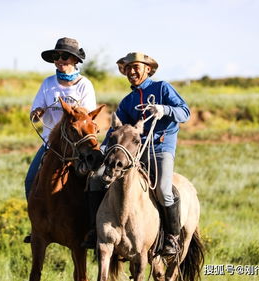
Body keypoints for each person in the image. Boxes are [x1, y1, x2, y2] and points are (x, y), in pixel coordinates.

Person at [82, 52, 190, 257]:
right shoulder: (127, 101)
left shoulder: (163, 88)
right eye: (128, 68)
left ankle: (171, 238)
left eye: (136, 67)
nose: (132, 72)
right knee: (96, 179)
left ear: (147, 69)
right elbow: (117, 132)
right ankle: (95, 231)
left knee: (163, 189)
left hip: (160, 149)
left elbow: (185, 112)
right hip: (133, 154)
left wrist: (164, 109)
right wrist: (104, 149)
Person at [23, 38, 97, 243]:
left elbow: (88, 116)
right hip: (51, 144)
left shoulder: (85, 85)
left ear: (74, 59)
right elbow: (34, 110)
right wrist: (37, 113)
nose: (59, 60)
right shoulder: (48, 84)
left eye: (64, 56)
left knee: (93, 181)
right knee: (31, 180)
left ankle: (92, 228)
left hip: (77, 145)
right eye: (56, 57)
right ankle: (37, 226)